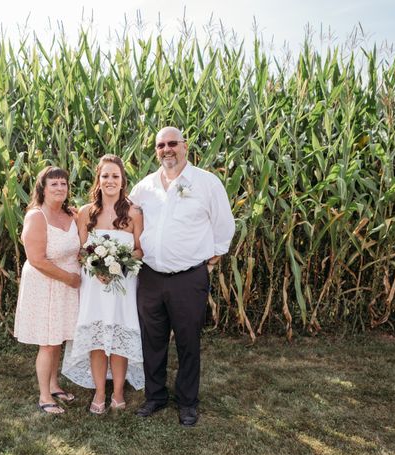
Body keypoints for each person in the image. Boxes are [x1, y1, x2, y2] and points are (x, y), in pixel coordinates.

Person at [129, 127, 235, 427]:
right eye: (160, 145)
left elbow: (224, 224)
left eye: (172, 143)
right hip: (150, 276)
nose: (167, 149)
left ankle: (187, 402)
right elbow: (122, 216)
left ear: (185, 147)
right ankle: (156, 396)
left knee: (188, 340)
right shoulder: (144, 187)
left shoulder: (206, 182)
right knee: (153, 340)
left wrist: (212, 258)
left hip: (189, 277)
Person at [62, 154, 145, 414]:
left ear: (122, 181)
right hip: (95, 285)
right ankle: (99, 392)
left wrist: (119, 263)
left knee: (119, 335)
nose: (110, 180)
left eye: (115, 176)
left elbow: (141, 250)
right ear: (98, 179)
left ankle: (118, 393)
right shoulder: (87, 212)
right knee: (97, 338)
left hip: (123, 285)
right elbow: (81, 251)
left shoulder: (134, 212)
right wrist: (97, 266)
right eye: (105, 175)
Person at [14, 166, 81, 414]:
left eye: (63, 184)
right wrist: (69, 278)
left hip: (65, 284)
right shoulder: (36, 217)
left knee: (58, 339)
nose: (60, 188)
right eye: (54, 184)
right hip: (45, 283)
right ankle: (44, 396)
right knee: (48, 342)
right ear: (42, 188)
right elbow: (37, 260)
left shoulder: (70, 215)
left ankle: (54, 385)